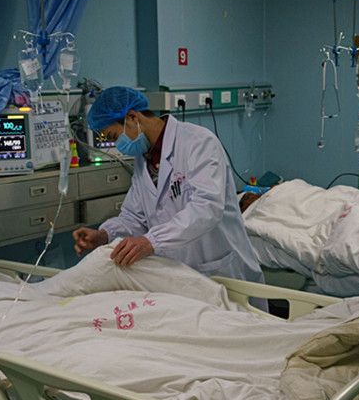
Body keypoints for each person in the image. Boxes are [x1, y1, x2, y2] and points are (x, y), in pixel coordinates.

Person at [73, 86, 263, 283]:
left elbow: (207, 208)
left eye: (114, 137)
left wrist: (152, 241)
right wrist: (104, 235)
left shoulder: (199, 142)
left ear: (132, 117)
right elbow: (134, 217)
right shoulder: (143, 160)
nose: (118, 146)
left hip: (221, 270)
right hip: (179, 275)